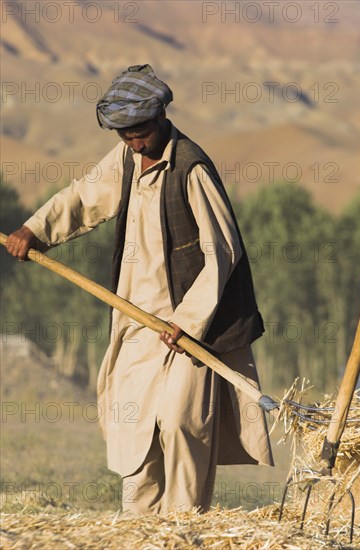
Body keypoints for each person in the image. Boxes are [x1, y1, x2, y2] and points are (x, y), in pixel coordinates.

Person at [6, 64, 274, 515]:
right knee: (135, 432)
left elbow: (221, 253)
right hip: (135, 325)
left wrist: (186, 322)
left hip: (188, 330)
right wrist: (35, 229)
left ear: (161, 118)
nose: (133, 141)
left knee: (178, 424)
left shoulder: (191, 167)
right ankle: (138, 531)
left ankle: (183, 527)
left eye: (139, 131)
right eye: (123, 133)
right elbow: (83, 197)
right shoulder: (127, 159)